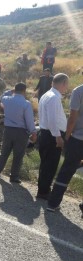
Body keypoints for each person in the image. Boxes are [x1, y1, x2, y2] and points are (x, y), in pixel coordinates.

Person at [46, 83, 83, 212]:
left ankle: (53, 203)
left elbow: (73, 118)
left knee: (66, 171)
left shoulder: (78, 91)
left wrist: (67, 137)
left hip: (78, 140)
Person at [0, 83, 37, 183]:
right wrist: (33, 132)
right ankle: (14, 177)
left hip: (8, 130)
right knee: (18, 155)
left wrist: (11, 91)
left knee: (4, 153)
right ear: (24, 91)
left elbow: (2, 96)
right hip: (21, 132)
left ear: (15, 89)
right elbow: (29, 120)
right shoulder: (26, 103)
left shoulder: (7, 99)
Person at [36, 73, 69, 200]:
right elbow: (52, 120)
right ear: (63, 83)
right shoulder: (54, 97)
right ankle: (44, 192)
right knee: (50, 165)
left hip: (46, 134)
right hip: (52, 136)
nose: (67, 88)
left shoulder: (47, 95)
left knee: (46, 164)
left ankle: (43, 189)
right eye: (67, 85)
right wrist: (58, 137)